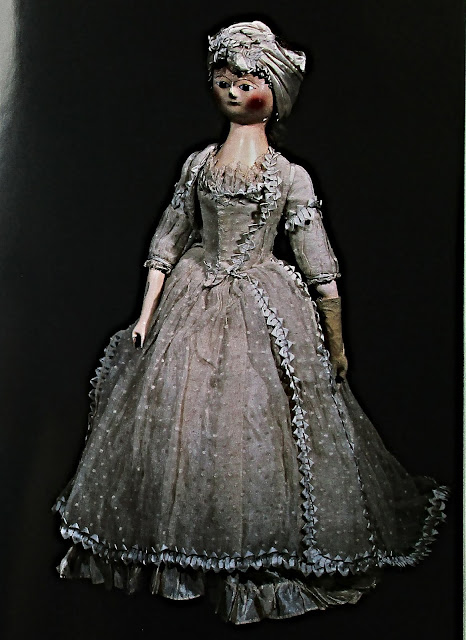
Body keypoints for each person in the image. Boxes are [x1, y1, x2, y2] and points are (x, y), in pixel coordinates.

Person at [53, 21, 448, 624]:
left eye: (248, 81)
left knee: (255, 418)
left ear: (276, 93)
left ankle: (249, 544)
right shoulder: (198, 165)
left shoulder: (289, 176)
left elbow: (318, 263)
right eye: (225, 80)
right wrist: (145, 313)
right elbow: (168, 239)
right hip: (194, 292)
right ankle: (181, 548)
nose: (234, 91)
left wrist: (335, 339)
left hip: (263, 299)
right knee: (178, 415)